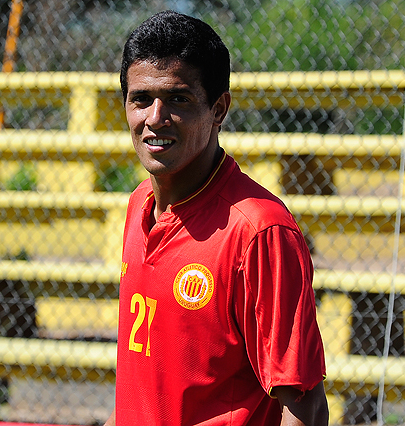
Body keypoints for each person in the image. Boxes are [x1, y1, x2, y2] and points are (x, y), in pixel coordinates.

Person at [105, 10, 328, 426]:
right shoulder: (138, 204)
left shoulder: (259, 230)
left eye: (178, 99)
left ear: (219, 109)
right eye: (141, 99)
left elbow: (305, 407)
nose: (155, 117)